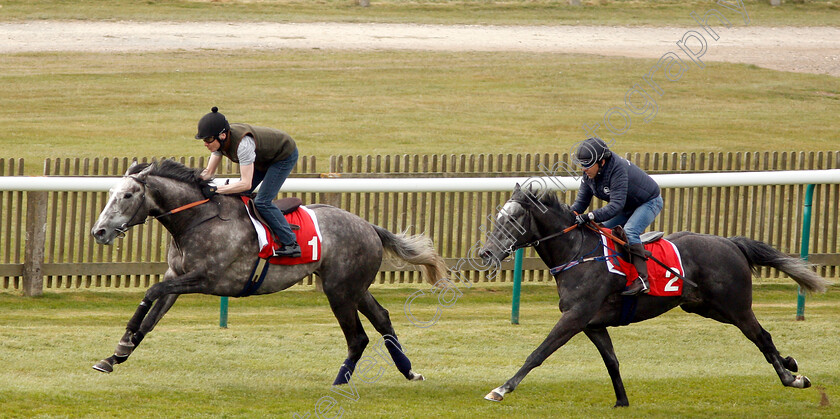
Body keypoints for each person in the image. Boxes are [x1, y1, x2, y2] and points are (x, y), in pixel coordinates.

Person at [195, 107, 301, 258]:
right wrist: (193, 182)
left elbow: (246, 184)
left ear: (223, 136)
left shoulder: (243, 145)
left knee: (262, 201)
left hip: (282, 157)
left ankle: (291, 243)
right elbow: (208, 173)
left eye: (208, 139)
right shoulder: (219, 143)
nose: (205, 143)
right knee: (239, 194)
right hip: (262, 157)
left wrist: (216, 190)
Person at [569, 137, 663, 295]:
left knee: (630, 231)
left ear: (602, 162)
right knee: (603, 230)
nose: (583, 169)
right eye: (581, 164)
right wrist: (569, 216)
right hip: (628, 205)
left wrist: (589, 216)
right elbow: (579, 205)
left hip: (648, 202)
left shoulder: (617, 169)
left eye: (587, 165)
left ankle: (642, 280)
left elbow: (615, 206)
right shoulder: (589, 175)